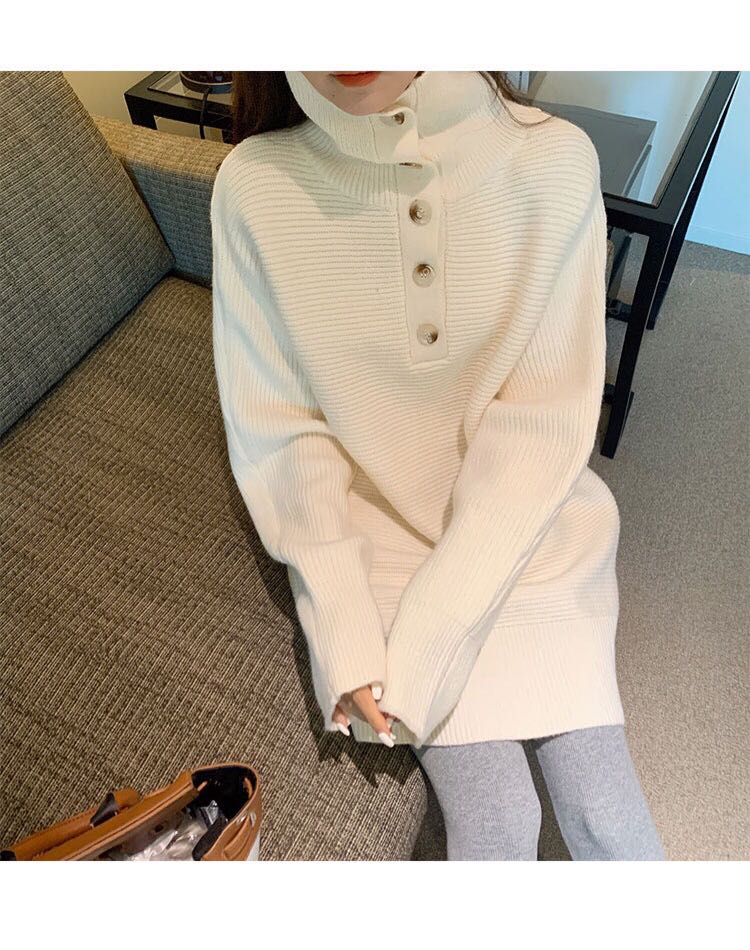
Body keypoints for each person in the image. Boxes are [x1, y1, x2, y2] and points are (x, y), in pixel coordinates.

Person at [211, 70, 666, 860]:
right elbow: (282, 435)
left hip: (527, 527)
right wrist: (343, 621)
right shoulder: (253, 186)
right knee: (498, 823)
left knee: (605, 817)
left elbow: (540, 426)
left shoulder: (554, 162)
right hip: (381, 547)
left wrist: (437, 632)